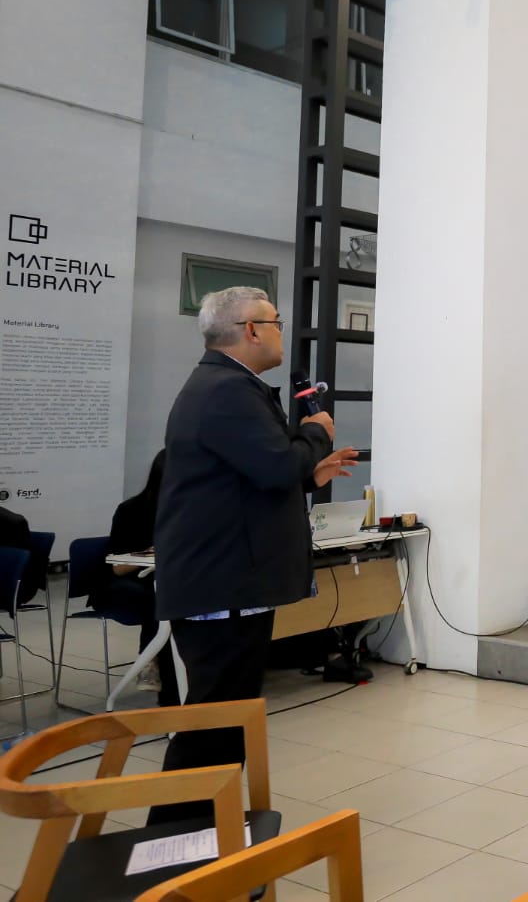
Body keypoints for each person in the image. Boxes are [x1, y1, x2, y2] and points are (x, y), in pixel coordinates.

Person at [150, 286, 358, 824]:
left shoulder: (226, 385)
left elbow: (251, 478)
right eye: (276, 321)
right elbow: (273, 465)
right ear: (251, 330)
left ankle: (205, 835)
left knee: (226, 722)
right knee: (212, 726)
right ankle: (176, 844)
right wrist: (314, 433)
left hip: (228, 581)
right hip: (223, 583)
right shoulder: (226, 390)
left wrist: (309, 474)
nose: (280, 331)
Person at [97, 451, 177, 703]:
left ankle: (163, 667)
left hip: (167, 580)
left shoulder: (188, 511)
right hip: (127, 582)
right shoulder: (131, 510)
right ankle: (151, 660)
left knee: (171, 596)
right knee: (161, 600)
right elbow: (116, 567)